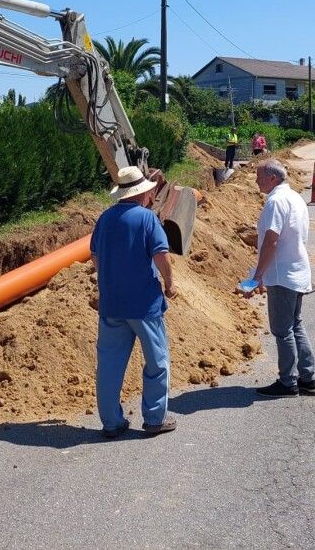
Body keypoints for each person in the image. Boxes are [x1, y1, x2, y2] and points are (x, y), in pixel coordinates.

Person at [90, 165, 179, 438]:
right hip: (144, 305)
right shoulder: (146, 218)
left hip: (112, 305)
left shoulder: (104, 219)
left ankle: (111, 423)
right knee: (156, 362)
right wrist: (170, 283)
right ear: (144, 193)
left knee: (109, 365)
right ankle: (154, 419)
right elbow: (161, 254)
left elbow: (94, 257)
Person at [246, 159, 315, 397]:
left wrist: (257, 276)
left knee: (282, 329)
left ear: (273, 178)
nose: (256, 181)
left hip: (282, 274)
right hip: (297, 270)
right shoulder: (295, 197)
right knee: (295, 324)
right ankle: (307, 376)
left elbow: (271, 240)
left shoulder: (275, 202)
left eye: (259, 177)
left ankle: (288, 382)